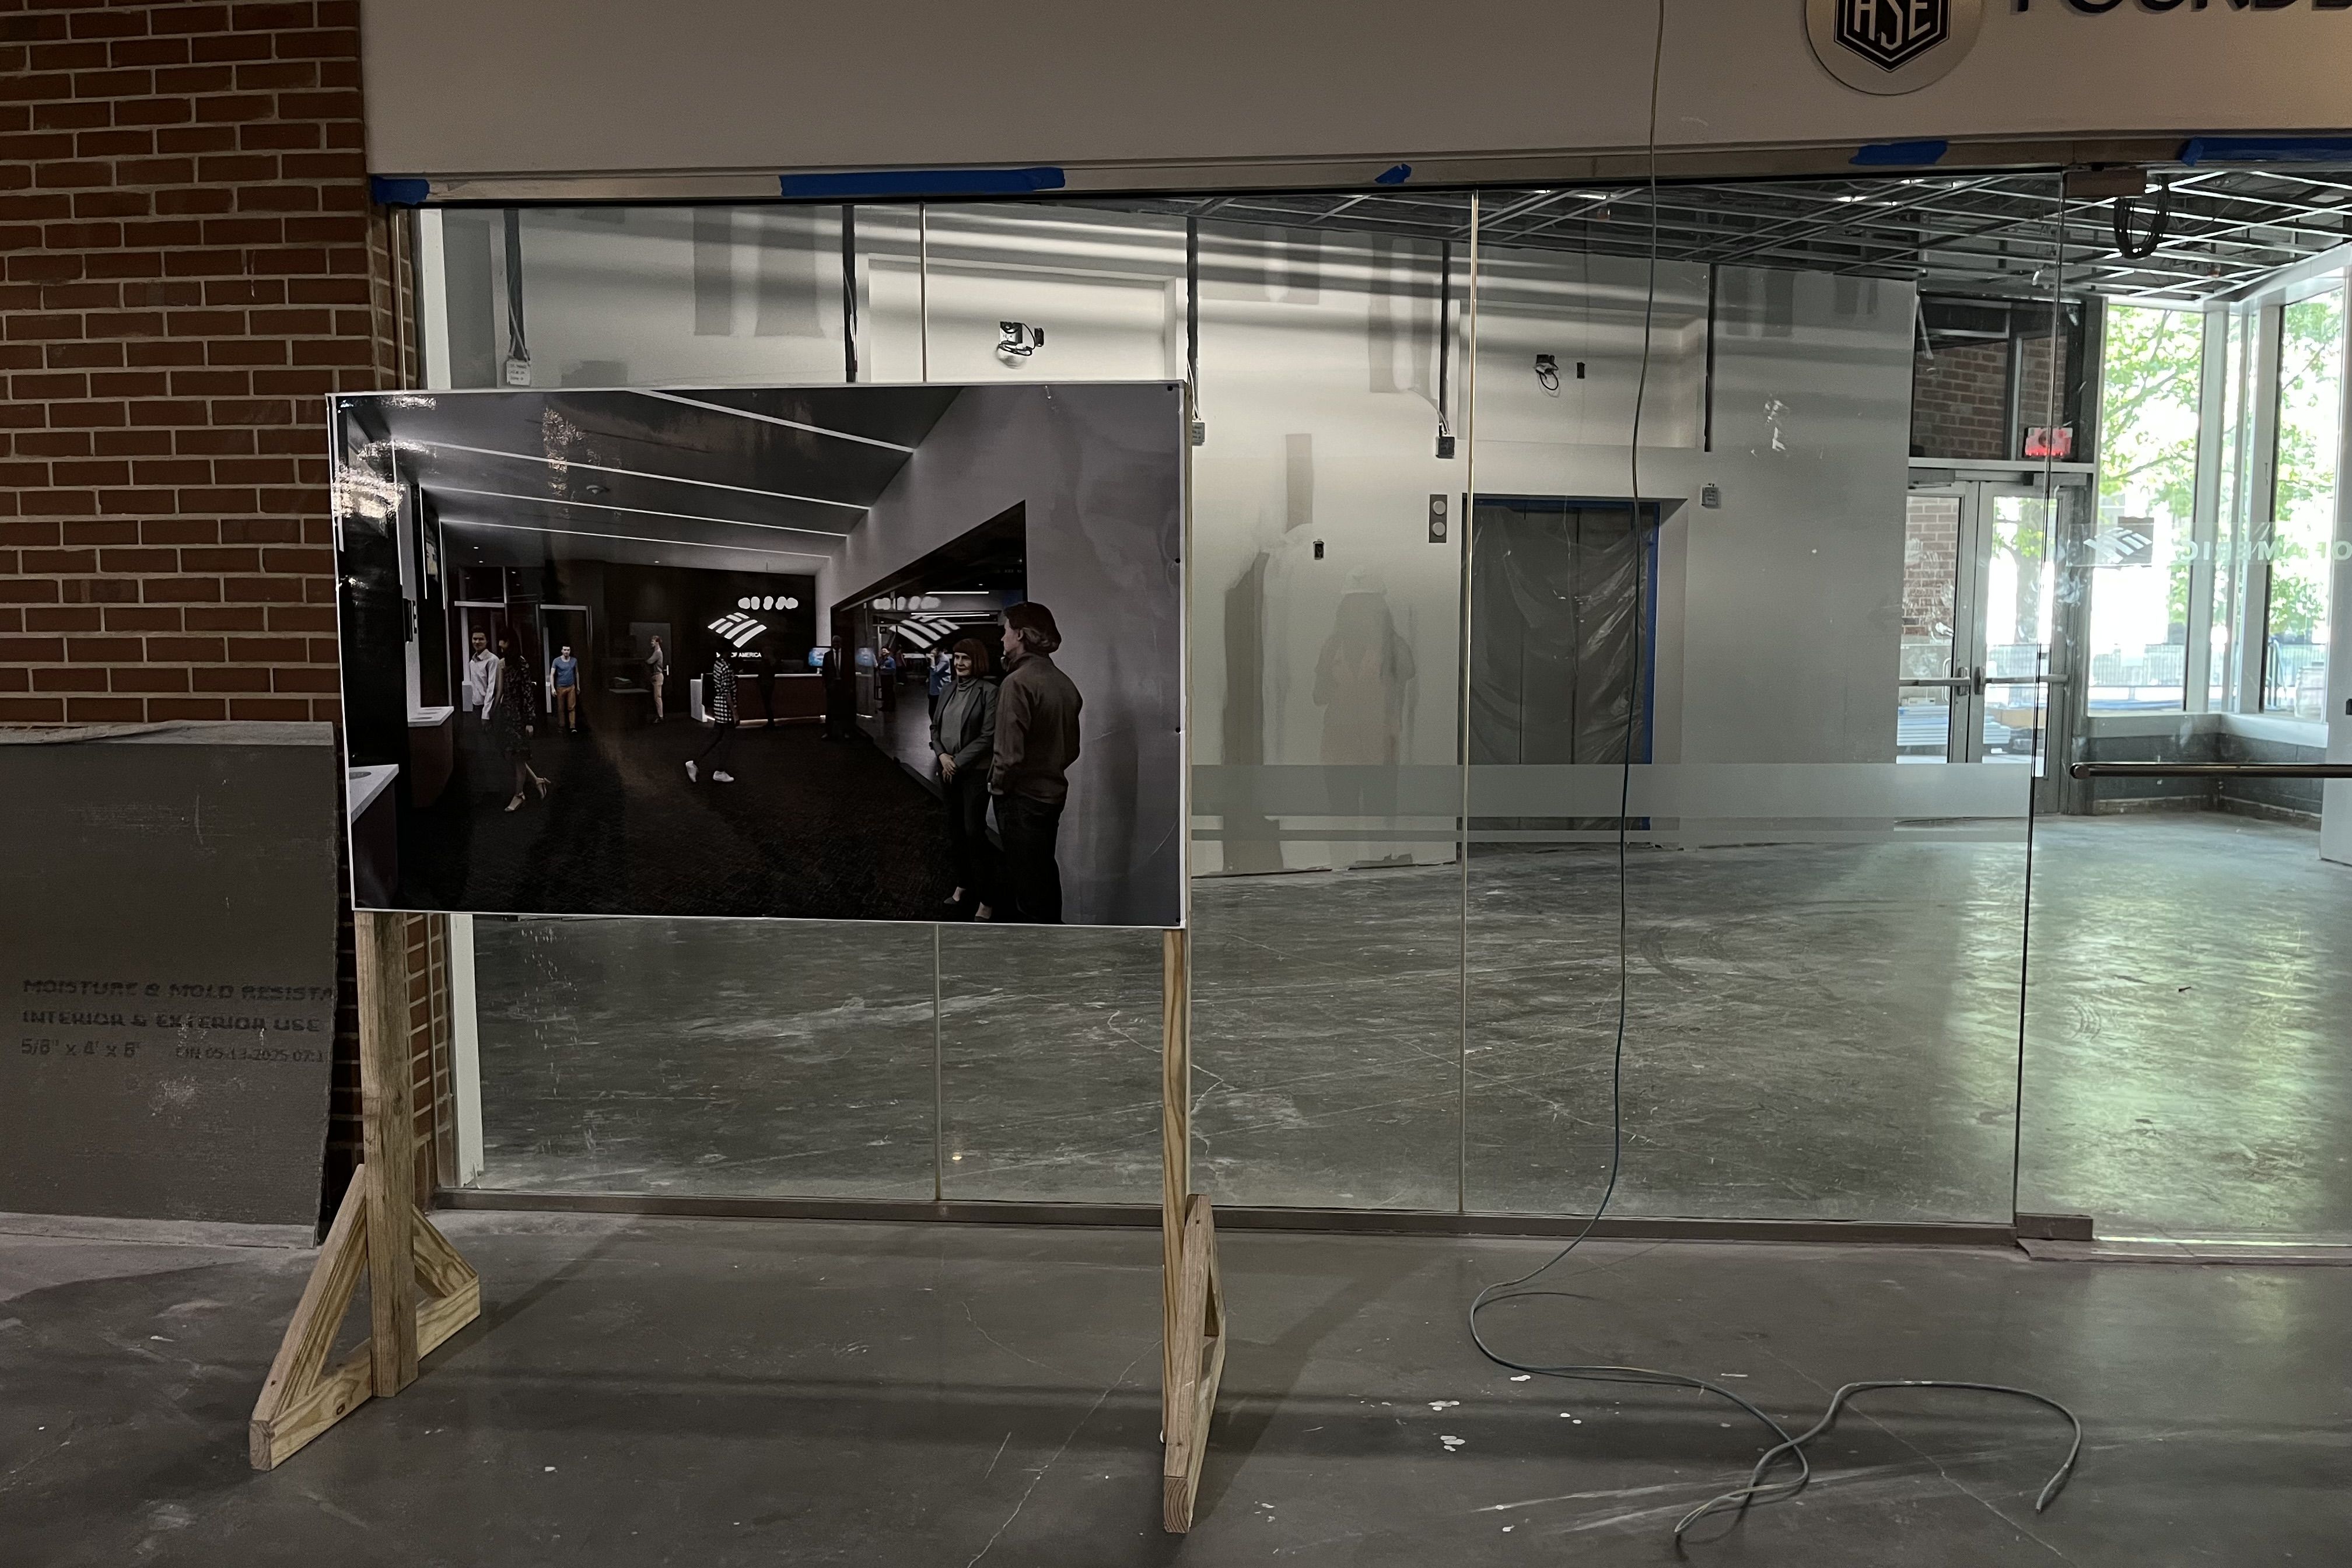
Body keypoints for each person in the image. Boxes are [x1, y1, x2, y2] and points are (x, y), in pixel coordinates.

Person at [989, 602, 1082, 923]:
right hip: (1052, 795)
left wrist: (998, 789)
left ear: (1020, 635)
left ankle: (1035, 958)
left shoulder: (1016, 684)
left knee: (1026, 887)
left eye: (1005, 631)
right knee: (1043, 872)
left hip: (1021, 799)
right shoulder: (1064, 682)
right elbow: (1072, 750)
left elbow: (1008, 757)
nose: (1002, 639)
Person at [932, 636, 999, 921]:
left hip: (973, 773)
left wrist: (956, 761)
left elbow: (988, 736)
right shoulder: (947, 689)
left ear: (977, 661)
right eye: (956, 657)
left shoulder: (990, 692)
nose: (959, 663)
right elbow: (935, 727)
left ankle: (988, 898)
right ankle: (963, 884)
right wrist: (943, 756)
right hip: (947, 771)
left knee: (974, 833)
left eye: (965, 658)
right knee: (955, 832)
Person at [497, 637, 551, 812]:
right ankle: (536, 781)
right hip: (507, 713)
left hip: (518, 715)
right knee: (514, 754)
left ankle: (519, 795)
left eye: (504, 643)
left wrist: (530, 720)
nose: (501, 647)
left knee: (519, 755)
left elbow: (527, 693)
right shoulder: (502, 663)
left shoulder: (521, 665)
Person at [687, 648, 739, 784]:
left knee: (717, 735)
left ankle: (695, 763)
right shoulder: (726, 667)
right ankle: (720, 771)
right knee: (728, 738)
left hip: (718, 704)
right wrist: (734, 712)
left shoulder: (717, 664)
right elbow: (727, 690)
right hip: (726, 707)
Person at [462, 628, 500, 722]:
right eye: (475, 639)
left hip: (489, 708)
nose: (477, 642)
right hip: (476, 708)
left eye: (481, 639)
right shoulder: (472, 662)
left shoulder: (492, 660)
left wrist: (486, 714)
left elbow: (492, 688)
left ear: (487, 641)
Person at [820, 638, 853, 741]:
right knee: (830, 710)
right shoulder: (827, 656)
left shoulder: (847, 655)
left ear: (841, 643)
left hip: (844, 686)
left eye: (838, 642)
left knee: (845, 710)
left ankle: (846, 732)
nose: (836, 644)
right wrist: (826, 686)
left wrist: (851, 687)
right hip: (832, 686)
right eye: (834, 642)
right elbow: (825, 672)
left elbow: (851, 672)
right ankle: (828, 732)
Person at [551, 643, 580, 734]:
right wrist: (552, 688)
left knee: (572, 707)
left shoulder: (574, 661)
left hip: (571, 686)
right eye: (565, 650)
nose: (567, 652)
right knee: (561, 708)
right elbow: (552, 674)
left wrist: (578, 686)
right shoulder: (557, 661)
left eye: (568, 650)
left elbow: (577, 673)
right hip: (560, 687)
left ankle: (572, 726)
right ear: (562, 651)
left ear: (570, 651)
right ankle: (562, 726)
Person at [646, 634, 668, 723]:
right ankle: (659, 716)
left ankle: (660, 716)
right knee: (656, 698)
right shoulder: (656, 652)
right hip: (655, 676)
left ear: (657, 642)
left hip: (658, 676)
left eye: (652, 641)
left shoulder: (658, 652)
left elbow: (650, 661)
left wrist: (644, 660)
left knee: (657, 698)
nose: (651, 643)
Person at [926, 646, 952, 720]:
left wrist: (932, 659)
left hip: (940, 690)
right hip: (934, 689)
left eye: (934, 649)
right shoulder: (938, 658)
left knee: (937, 712)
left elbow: (935, 671)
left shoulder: (944, 659)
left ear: (939, 650)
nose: (932, 651)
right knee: (932, 712)